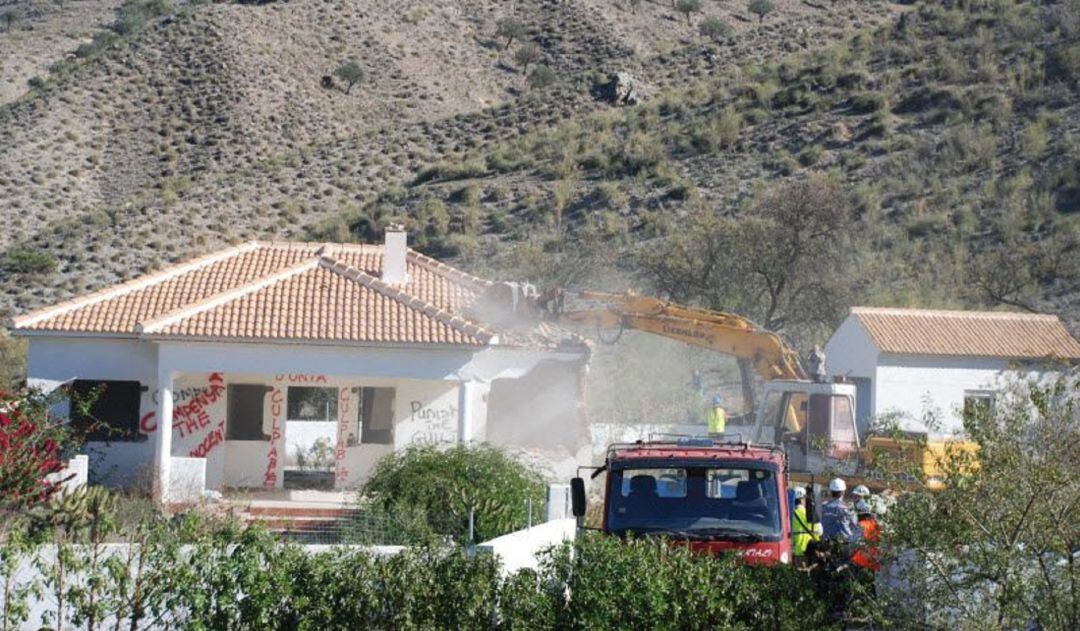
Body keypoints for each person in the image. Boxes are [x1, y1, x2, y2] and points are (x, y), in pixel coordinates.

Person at [820, 478, 862, 544]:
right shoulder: (848, 508)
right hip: (845, 543)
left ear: (831, 492)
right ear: (843, 492)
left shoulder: (822, 507)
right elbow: (854, 524)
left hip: (825, 542)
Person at [851, 500, 882, 572]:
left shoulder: (860, 525)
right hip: (875, 559)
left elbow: (855, 542)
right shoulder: (876, 524)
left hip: (861, 560)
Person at [791, 487, 816, 559]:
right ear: (802, 499)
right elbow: (820, 531)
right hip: (807, 551)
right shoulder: (808, 513)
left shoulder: (787, 514)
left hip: (793, 552)